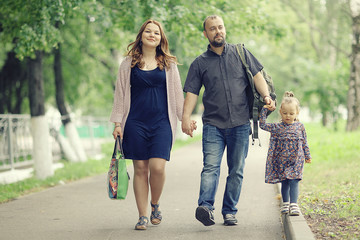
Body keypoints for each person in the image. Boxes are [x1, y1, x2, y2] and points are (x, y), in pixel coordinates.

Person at [182, 15, 276, 226]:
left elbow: (257, 76)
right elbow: (192, 93)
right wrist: (185, 118)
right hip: (213, 125)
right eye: (213, 29)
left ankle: (229, 211)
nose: (218, 32)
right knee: (210, 167)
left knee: (236, 170)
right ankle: (205, 207)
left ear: (225, 29)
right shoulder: (199, 63)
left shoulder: (241, 53)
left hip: (241, 123)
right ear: (205, 34)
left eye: (220, 27)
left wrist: (267, 96)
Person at [110, 19, 184, 230]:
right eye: (148, 31)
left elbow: (178, 96)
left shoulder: (168, 64)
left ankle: (155, 204)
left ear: (161, 39)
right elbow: (120, 95)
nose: (153, 35)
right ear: (141, 35)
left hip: (162, 123)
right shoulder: (128, 63)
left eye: (157, 33)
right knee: (140, 169)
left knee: (157, 167)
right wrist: (117, 123)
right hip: (135, 123)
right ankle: (142, 215)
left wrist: (185, 120)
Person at [259, 91, 311, 216]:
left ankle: (294, 205)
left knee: (294, 180)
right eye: (285, 113)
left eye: (291, 113)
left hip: (296, 160)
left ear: (297, 113)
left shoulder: (300, 127)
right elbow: (263, 125)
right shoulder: (277, 127)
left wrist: (307, 155)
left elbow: (304, 142)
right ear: (280, 112)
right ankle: (286, 203)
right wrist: (264, 110)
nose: (288, 116)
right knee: (285, 182)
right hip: (281, 160)